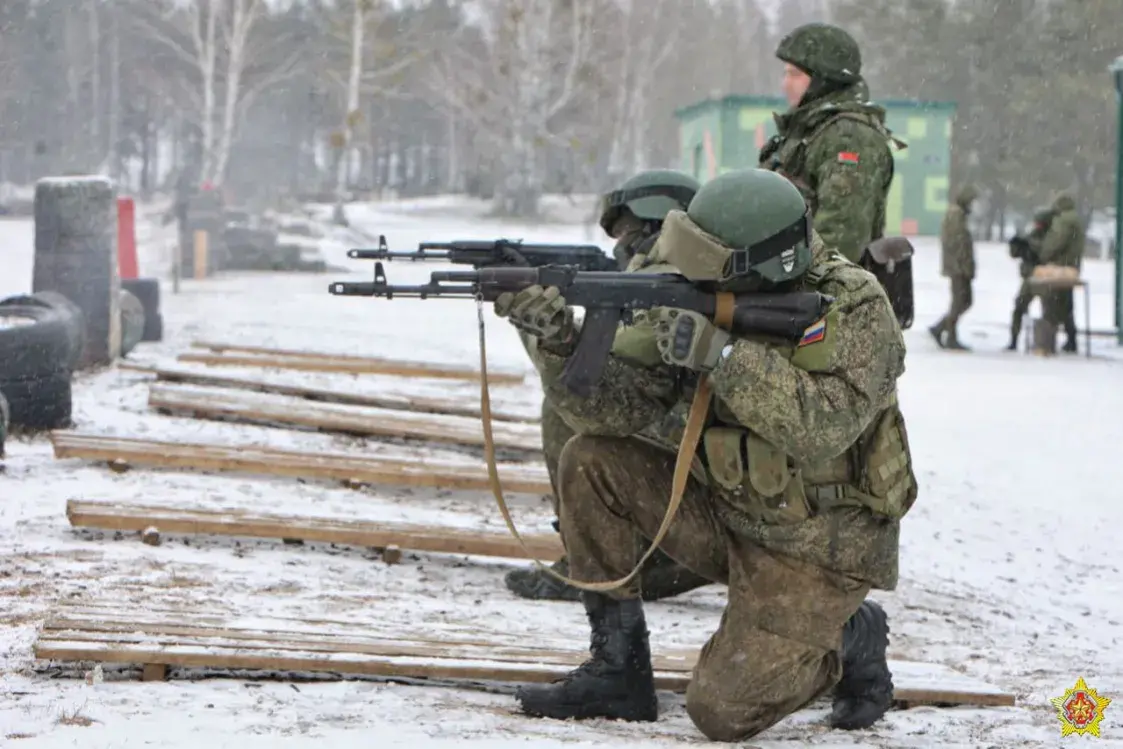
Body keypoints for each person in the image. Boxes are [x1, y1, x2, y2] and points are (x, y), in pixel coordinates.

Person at [499, 168, 913, 740]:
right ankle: (618, 670)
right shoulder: (710, 293)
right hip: (730, 512)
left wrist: (722, 357)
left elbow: (823, 428)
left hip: (818, 544)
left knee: (721, 712)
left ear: (760, 264)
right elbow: (615, 413)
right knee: (591, 459)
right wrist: (559, 340)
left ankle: (847, 635)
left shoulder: (856, 307)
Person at [504, 168, 713, 602]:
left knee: (570, 409)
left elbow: (601, 365)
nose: (620, 246)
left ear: (660, 225)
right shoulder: (676, 270)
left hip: (696, 465)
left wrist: (545, 331)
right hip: (698, 457)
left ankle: (599, 559)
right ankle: (607, 555)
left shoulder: (676, 280)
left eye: (629, 233)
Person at [759, 22, 902, 265]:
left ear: (823, 80)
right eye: (785, 73)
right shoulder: (807, 131)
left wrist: (782, 282)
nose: (785, 84)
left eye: (795, 74)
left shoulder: (849, 138)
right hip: (787, 287)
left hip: (823, 296)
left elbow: (840, 240)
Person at [929, 185, 978, 350]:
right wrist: (964, 266)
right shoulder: (955, 215)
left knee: (964, 301)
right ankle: (948, 334)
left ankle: (942, 329)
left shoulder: (958, 214)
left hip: (959, 266)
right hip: (958, 267)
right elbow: (958, 243)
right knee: (961, 301)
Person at [1034, 192, 1084, 353]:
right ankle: (1071, 339)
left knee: (1052, 304)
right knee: (1066, 305)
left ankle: (1048, 342)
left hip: (1058, 268)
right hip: (1070, 268)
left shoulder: (1064, 221)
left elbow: (1056, 242)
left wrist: (1043, 254)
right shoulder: (1075, 219)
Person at [1006, 206, 1053, 351]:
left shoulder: (1051, 237)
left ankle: (1046, 342)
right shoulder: (1033, 235)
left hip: (1044, 278)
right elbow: (1018, 253)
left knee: (1049, 311)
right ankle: (1013, 340)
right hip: (1029, 278)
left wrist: (1032, 248)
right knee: (1019, 308)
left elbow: (1046, 252)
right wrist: (1017, 246)